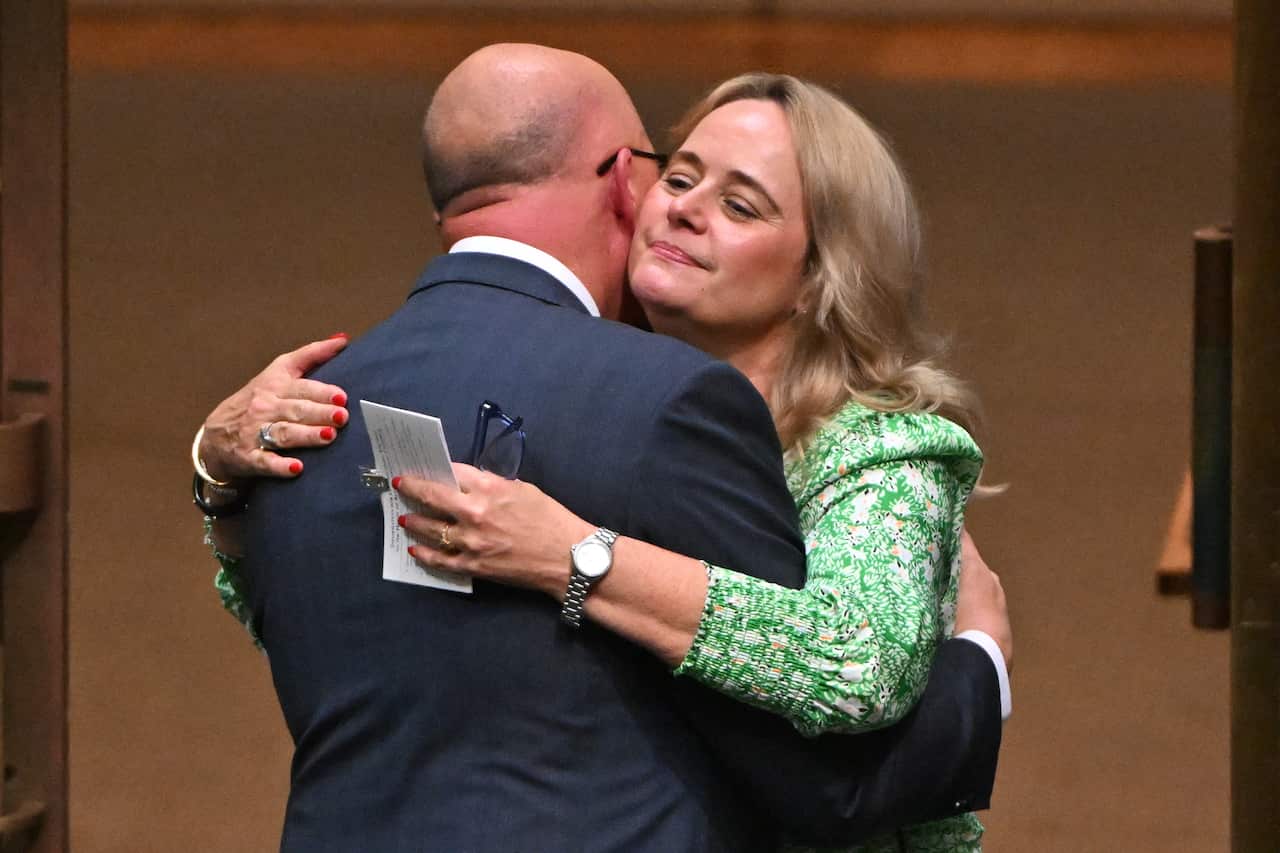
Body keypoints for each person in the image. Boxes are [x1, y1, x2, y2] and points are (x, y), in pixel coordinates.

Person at [193, 45, 1008, 853]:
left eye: (743, 205)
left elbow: (850, 678)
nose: (686, 208)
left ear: (818, 277)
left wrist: (573, 556)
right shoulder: (618, 405)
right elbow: (382, 616)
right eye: (680, 177)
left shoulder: (878, 444)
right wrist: (216, 473)